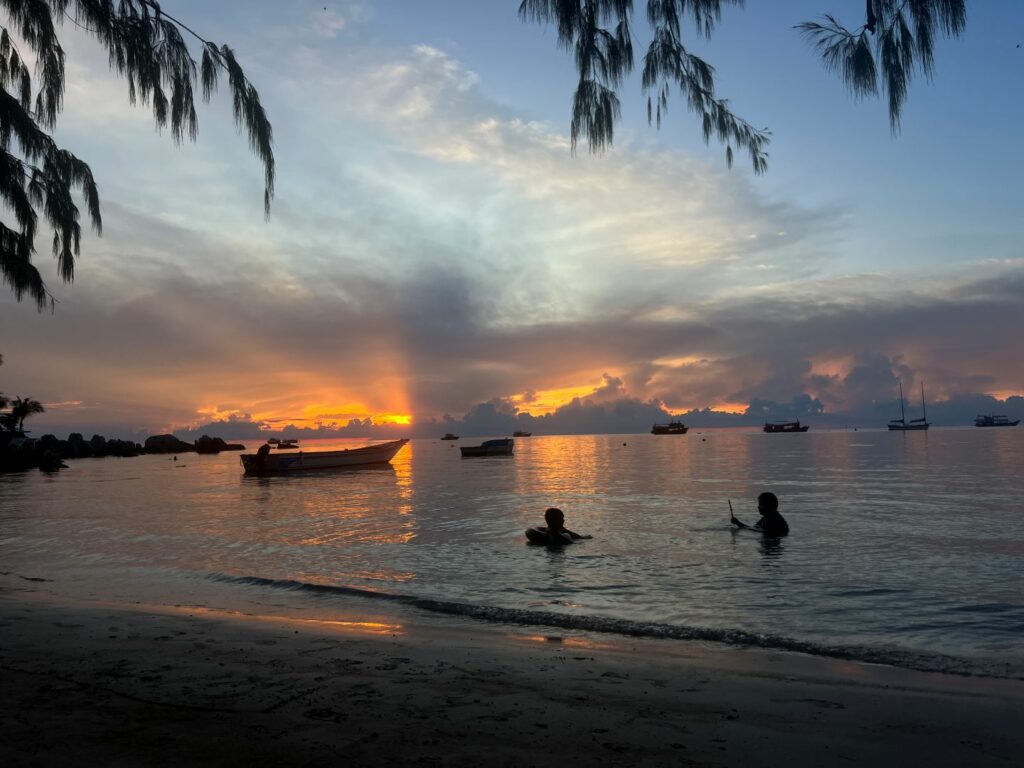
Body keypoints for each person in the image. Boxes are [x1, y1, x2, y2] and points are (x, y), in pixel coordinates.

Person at [525, 507, 592, 545]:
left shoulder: (562, 533)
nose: (563, 520)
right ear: (554, 520)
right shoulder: (564, 536)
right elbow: (571, 542)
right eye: (561, 518)